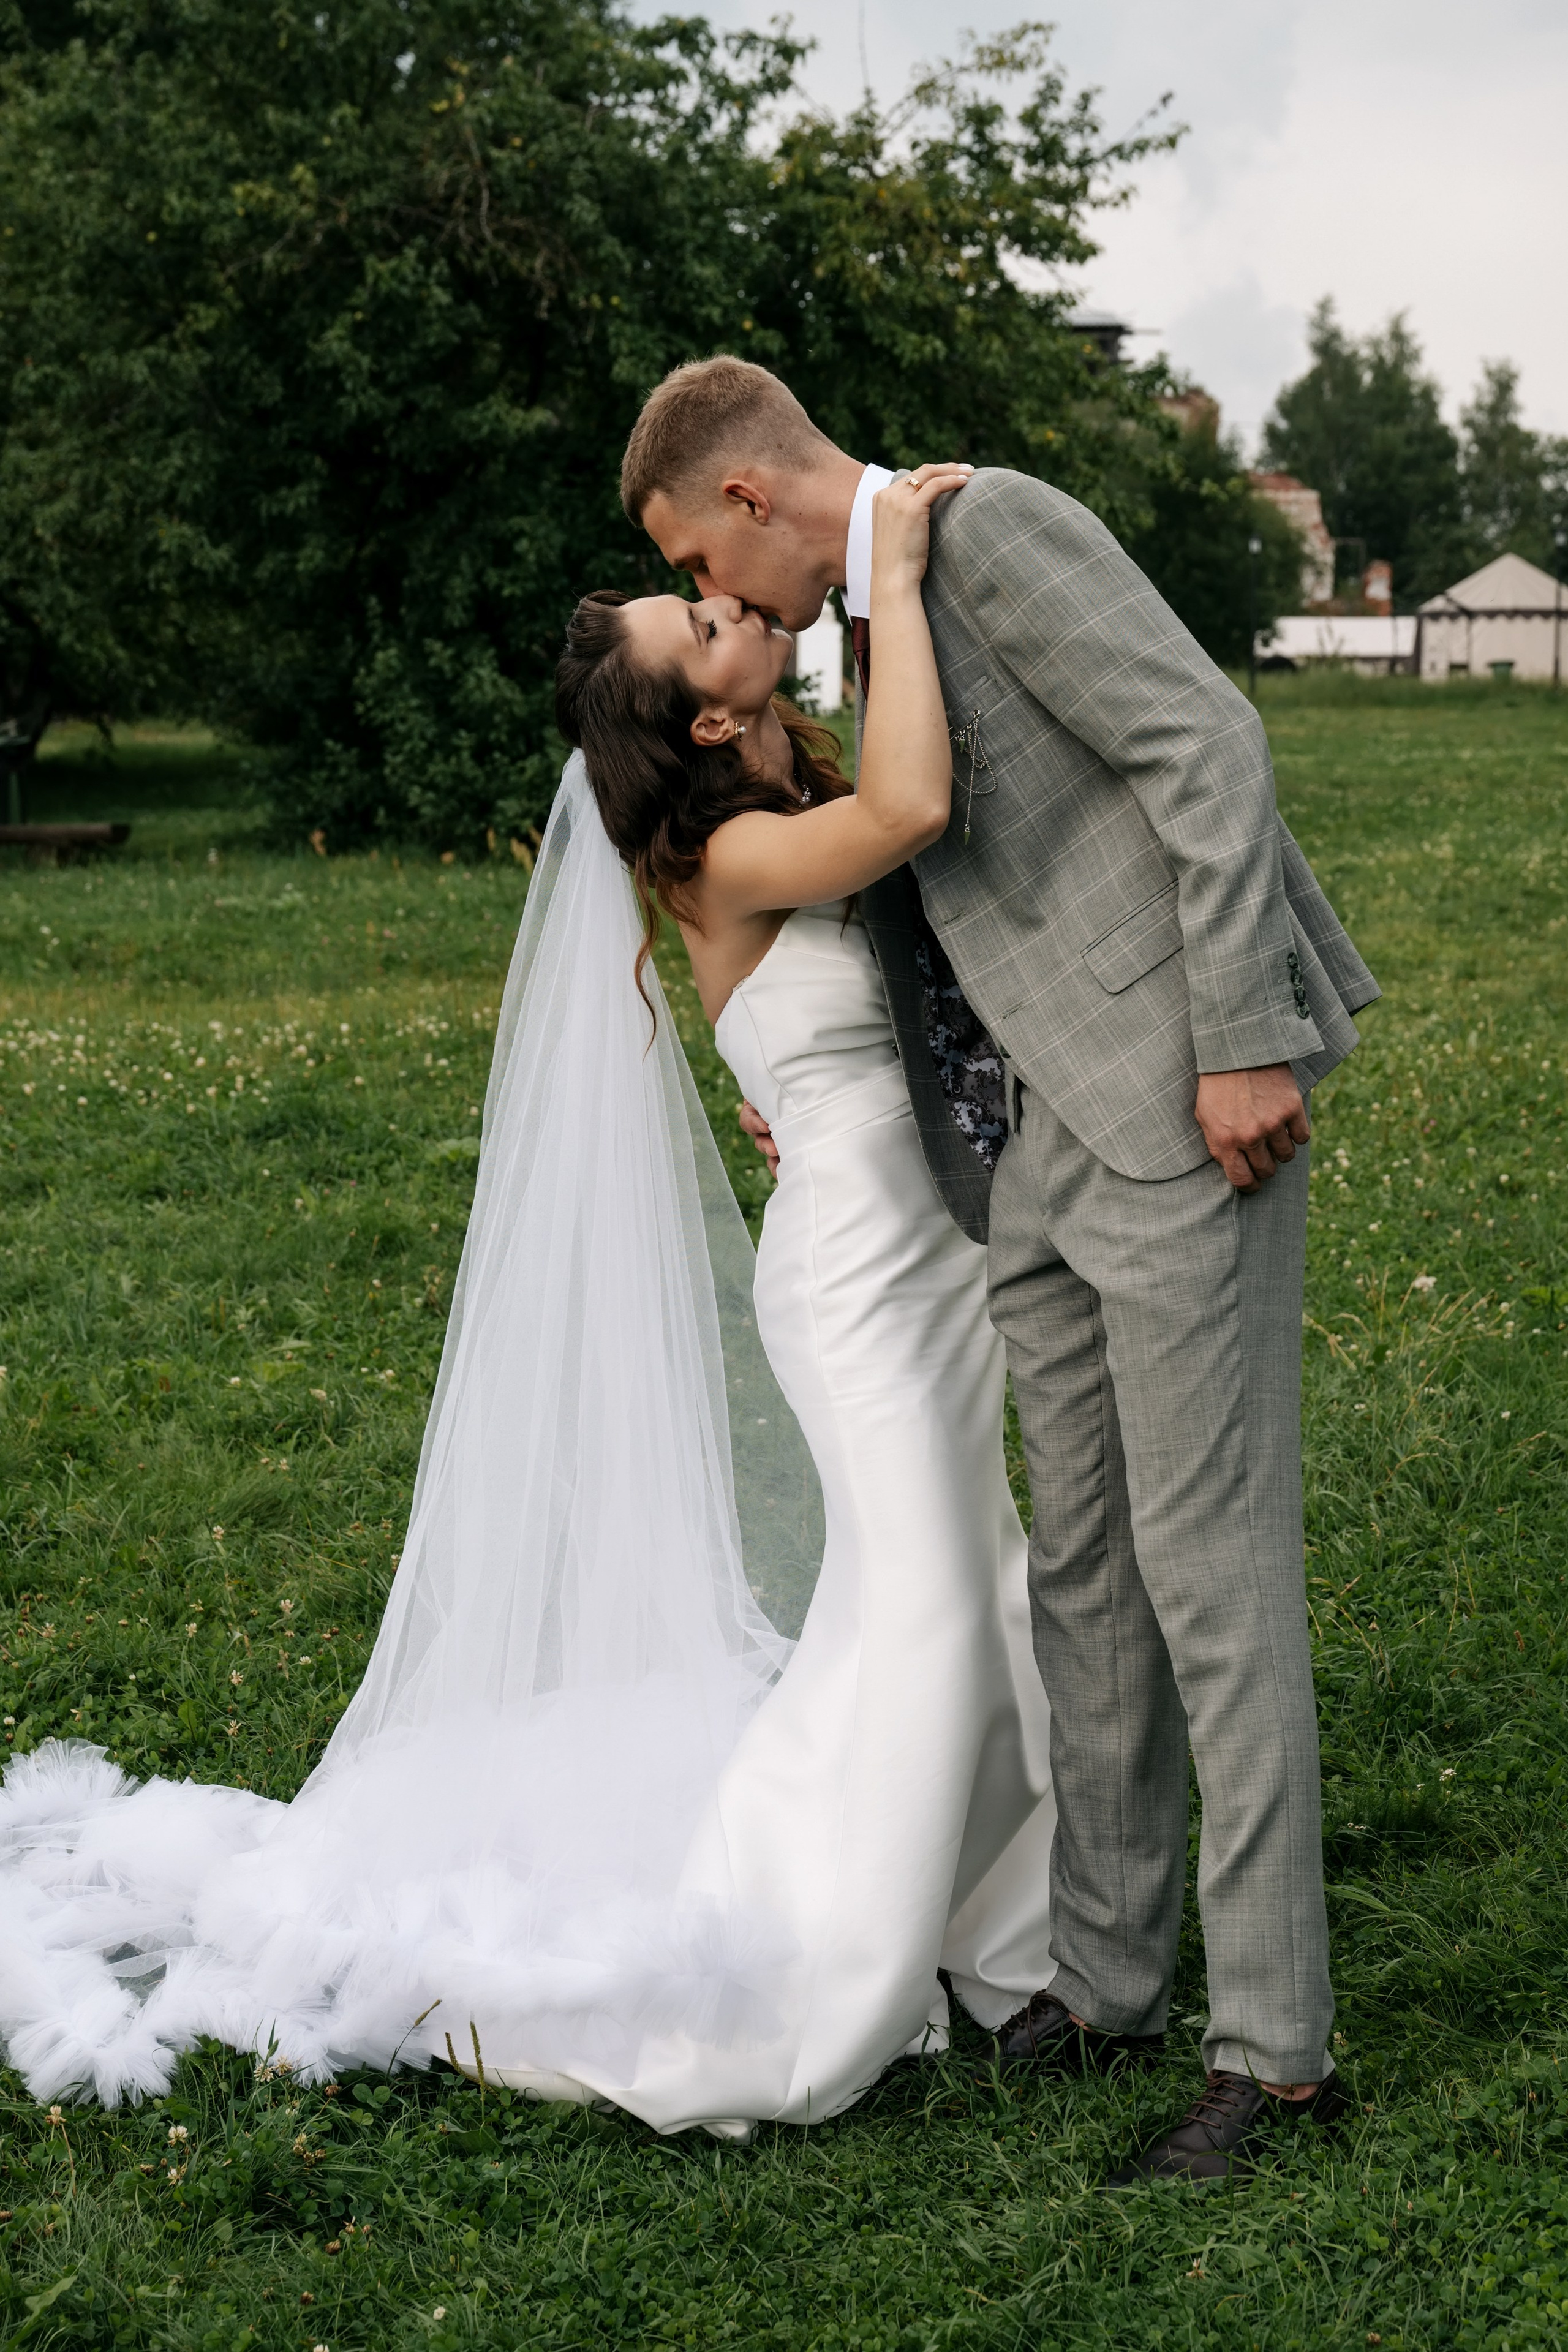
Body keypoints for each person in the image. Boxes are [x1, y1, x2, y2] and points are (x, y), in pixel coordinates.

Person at [0, 469, 1056, 2142]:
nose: (731, 611)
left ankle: (1006, 1943)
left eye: (704, 598)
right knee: (923, 1606)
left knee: (983, 1594)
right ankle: (806, 1954)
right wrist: (899, 578)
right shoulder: (725, 855)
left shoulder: (767, 795)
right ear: (703, 732)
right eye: (703, 622)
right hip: (857, 1282)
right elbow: (913, 810)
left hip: (927, 1263)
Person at [621, 356, 1381, 2185]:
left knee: (1210, 1573)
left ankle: (1276, 2054)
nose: (740, 611)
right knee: (1089, 1580)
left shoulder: (996, 534)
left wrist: (1245, 1036)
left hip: (1185, 1117)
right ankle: (1105, 1979)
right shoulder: (882, 602)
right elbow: (920, 861)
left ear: (738, 499)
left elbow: (1207, 745)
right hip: (1035, 1162)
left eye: (703, 566)